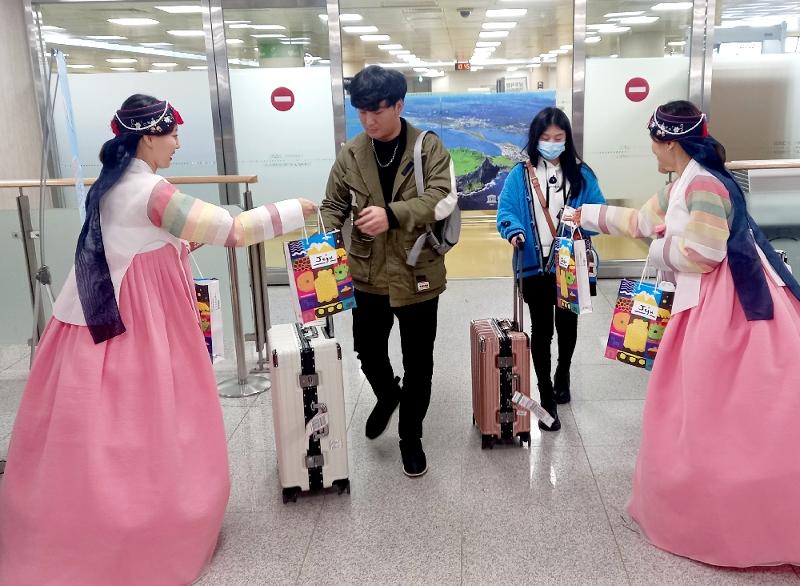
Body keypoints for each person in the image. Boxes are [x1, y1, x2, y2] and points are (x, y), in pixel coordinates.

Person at [0, 94, 317, 584]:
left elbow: (137, 238)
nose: (176, 144)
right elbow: (232, 230)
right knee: (153, 415)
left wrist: (176, 241)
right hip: (140, 323)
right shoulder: (153, 191)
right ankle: (151, 523)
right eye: (171, 134)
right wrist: (299, 208)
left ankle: (72, 524)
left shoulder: (111, 185)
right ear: (148, 137)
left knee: (93, 428)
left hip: (91, 317)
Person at [573, 100, 800, 567]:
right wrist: (587, 216)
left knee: (716, 406)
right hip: (710, 302)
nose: (651, 151)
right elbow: (639, 221)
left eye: (653, 142)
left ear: (669, 142)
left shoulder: (704, 185)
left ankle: (729, 513)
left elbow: (703, 253)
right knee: (699, 403)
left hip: (730, 308)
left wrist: (657, 249)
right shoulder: (683, 181)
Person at [320, 66, 455, 477]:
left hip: (417, 272)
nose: (368, 120)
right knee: (367, 350)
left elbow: (443, 198)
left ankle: (410, 437)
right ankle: (386, 394)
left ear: (399, 104)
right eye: (360, 111)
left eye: (376, 110)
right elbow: (332, 206)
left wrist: (392, 215)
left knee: (419, 361)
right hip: (367, 272)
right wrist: (325, 245)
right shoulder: (352, 153)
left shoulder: (428, 148)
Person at [496, 107, 606, 430]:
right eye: (546, 138)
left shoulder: (582, 174)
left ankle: (563, 372)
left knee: (567, 328)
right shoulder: (520, 174)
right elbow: (506, 210)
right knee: (541, 331)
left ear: (567, 140)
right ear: (536, 139)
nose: (552, 143)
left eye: (559, 138)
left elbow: (598, 212)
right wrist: (514, 230)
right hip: (534, 266)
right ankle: (546, 397)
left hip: (571, 267)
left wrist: (581, 217)